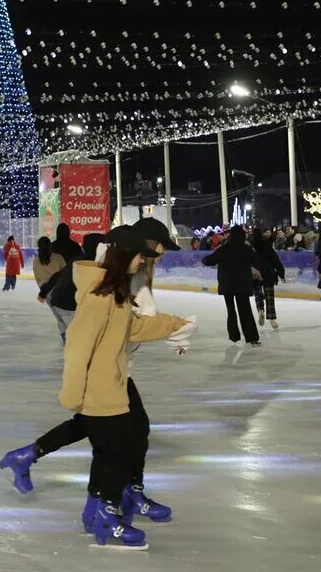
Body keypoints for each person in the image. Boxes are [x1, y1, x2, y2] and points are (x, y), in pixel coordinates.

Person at [58, 228, 193, 550]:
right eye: (138, 257)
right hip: (99, 389)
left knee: (112, 453)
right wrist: (73, 394)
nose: (141, 264)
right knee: (118, 454)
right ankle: (106, 517)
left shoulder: (114, 292)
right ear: (123, 255)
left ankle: (95, 514)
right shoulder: (98, 295)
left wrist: (174, 323)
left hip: (111, 384)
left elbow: (132, 327)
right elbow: (78, 346)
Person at [202, 226, 270, 346]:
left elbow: (210, 260)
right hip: (242, 285)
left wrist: (204, 259)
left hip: (227, 284)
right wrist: (269, 273)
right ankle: (252, 338)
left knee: (231, 310)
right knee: (245, 310)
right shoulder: (246, 249)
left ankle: (234, 336)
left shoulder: (223, 249)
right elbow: (259, 263)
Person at [251, 229, 286, 329]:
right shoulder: (267, 247)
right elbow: (276, 261)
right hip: (268, 273)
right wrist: (281, 273)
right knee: (269, 297)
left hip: (256, 274)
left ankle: (260, 310)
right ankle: (272, 320)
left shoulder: (251, 248)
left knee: (258, 294)